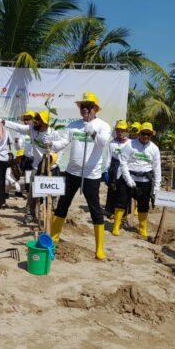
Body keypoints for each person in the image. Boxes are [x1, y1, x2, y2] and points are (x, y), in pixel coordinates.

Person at [50, 92, 112, 260]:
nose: (85, 109)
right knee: (63, 205)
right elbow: (63, 143)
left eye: (88, 106)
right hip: (72, 172)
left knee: (95, 210)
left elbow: (103, 142)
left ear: (95, 108)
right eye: (82, 106)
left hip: (91, 174)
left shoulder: (103, 125)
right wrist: (51, 144)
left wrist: (92, 132)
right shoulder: (73, 125)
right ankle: (53, 239)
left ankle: (99, 248)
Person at [3, 109, 63, 224]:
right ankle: (30, 214)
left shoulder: (53, 133)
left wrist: (54, 162)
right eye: (35, 119)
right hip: (37, 167)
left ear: (44, 122)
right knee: (32, 192)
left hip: (51, 167)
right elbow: (17, 127)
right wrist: (3, 121)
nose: (35, 121)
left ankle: (51, 215)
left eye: (38, 120)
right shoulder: (32, 130)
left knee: (53, 194)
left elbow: (60, 149)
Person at [115, 122, 161, 237]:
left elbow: (157, 168)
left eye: (148, 134)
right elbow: (123, 161)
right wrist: (127, 178)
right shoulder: (130, 145)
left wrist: (157, 186)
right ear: (139, 133)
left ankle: (142, 228)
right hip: (129, 178)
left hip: (145, 181)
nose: (146, 136)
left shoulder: (154, 148)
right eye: (143, 133)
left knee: (144, 205)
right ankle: (116, 226)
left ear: (151, 135)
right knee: (121, 201)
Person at [104, 120, 130, 219]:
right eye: (118, 130)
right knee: (112, 190)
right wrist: (106, 171)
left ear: (126, 131)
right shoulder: (112, 143)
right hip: (113, 168)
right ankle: (110, 211)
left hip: (125, 169)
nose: (120, 132)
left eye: (122, 130)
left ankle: (123, 214)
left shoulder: (130, 143)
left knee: (124, 191)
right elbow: (109, 157)